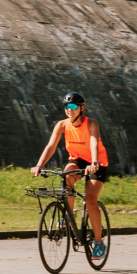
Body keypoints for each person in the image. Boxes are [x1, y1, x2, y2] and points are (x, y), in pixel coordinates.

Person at [33, 92, 110, 259]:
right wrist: (39, 165)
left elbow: (94, 142)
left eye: (74, 107)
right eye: (67, 107)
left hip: (97, 163)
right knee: (66, 177)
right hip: (77, 159)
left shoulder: (92, 123)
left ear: (81, 108)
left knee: (90, 200)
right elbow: (51, 146)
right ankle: (68, 215)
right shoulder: (62, 125)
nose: (70, 110)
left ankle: (99, 243)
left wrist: (94, 162)